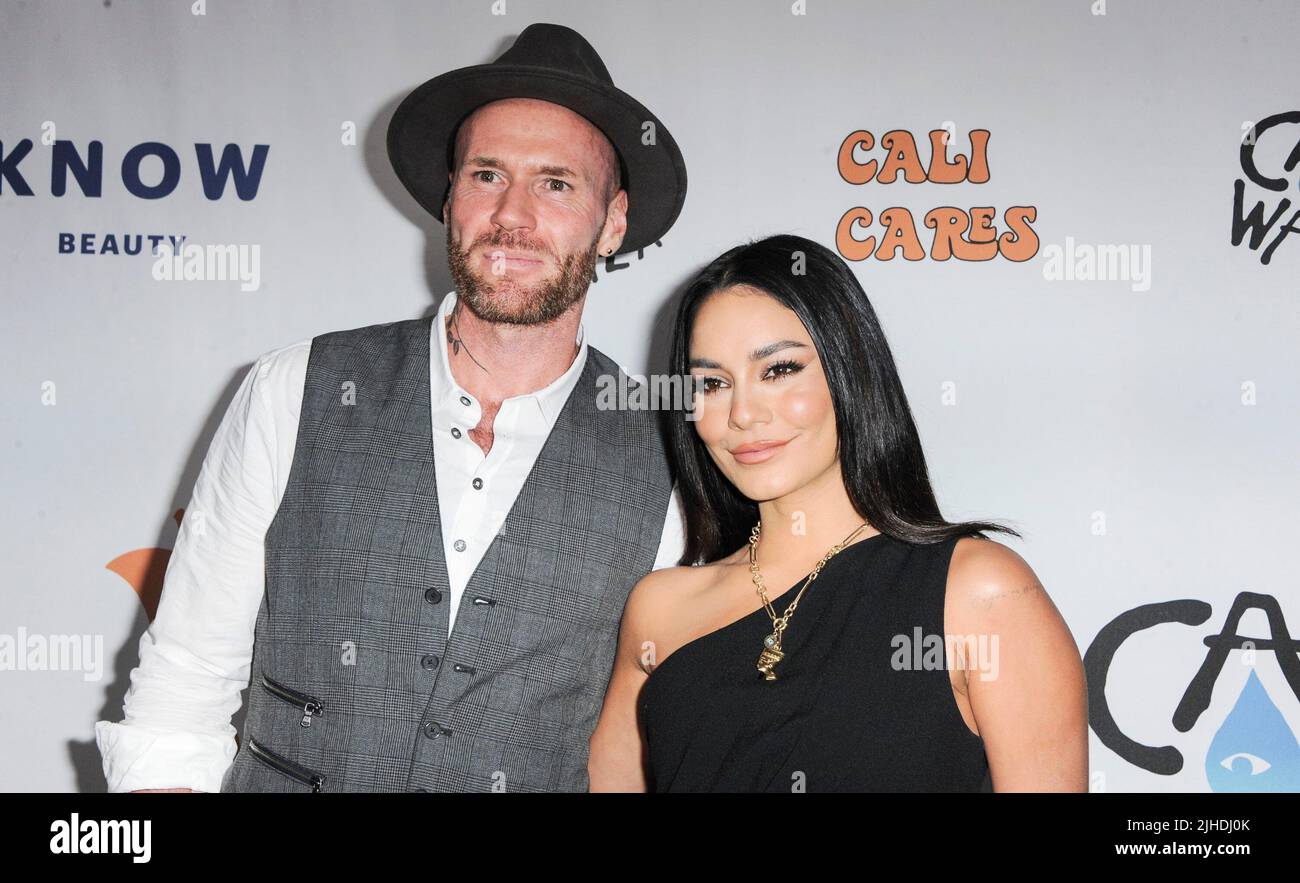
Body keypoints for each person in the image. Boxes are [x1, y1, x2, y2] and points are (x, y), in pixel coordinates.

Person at [95, 22, 690, 792]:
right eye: (485, 175)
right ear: (450, 199)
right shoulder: (294, 387)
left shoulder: (671, 461)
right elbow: (181, 689)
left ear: (612, 223)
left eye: (556, 183)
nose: (512, 214)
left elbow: (649, 746)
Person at [588, 234, 1089, 792]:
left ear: (850, 371)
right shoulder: (659, 610)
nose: (743, 413)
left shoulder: (978, 591)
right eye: (712, 383)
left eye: (778, 370)